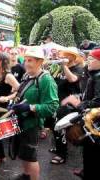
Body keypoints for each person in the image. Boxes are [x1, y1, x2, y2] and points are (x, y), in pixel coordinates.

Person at [12, 47, 59, 180]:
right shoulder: (27, 75)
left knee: (31, 156)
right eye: (26, 60)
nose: (26, 63)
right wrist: (15, 101)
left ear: (40, 62)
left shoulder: (46, 80)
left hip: (32, 124)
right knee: (24, 153)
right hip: (21, 121)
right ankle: (26, 175)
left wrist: (30, 107)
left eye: (30, 60)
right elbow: (22, 93)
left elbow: (52, 106)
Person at [61, 48, 100, 180]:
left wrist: (77, 103)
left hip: (95, 122)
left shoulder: (99, 78)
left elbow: (98, 102)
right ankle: (86, 170)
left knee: (92, 151)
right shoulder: (93, 75)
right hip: (92, 120)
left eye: (92, 59)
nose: (88, 60)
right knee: (88, 150)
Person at [47, 47, 84, 165]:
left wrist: (64, 66)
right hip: (57, 101)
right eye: (64, 54)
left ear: (73, 57)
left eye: (68, 55)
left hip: (68, 103)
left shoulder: (79, 68)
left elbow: (72, 79)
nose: (65, 57)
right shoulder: (61, 68)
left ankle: (62, 155)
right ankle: (58, 148)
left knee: (61, 129)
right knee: (54, 127)